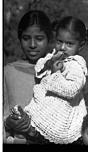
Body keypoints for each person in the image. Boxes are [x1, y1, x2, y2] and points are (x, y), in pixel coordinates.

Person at [5, 16, 88, 144]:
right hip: (44, 107)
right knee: (29, 121)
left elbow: (71, 90)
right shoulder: (53, 57)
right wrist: (49, 64)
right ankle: (21, 127)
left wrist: (56, 73)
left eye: (69, 44)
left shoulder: (76, 65)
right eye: (59, 41)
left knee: (49, 132)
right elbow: (39, 70)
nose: (62, 47)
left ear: (80, 46)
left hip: (61, 114)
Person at [3, 10, 54, 144]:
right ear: (20, 39)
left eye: (39, 39)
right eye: (26, 38)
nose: (32, 45)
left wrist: (33, 129)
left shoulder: (58, 74)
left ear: (49, 39)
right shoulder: (8, 72)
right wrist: (8, 123)